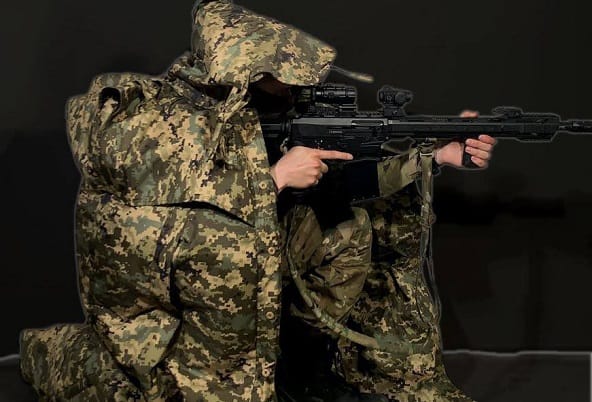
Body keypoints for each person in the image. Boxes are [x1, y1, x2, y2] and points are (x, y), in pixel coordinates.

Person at [19, 1, 495, 401]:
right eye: (274, 75)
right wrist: (274, 178)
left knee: (347, 230)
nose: (288, 87)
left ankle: (298, 363)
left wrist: (435, 155)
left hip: (260, 268)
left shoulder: (279, 108)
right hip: (179, 296)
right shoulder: (160, 118)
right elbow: (160, 212)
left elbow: (346, 181)